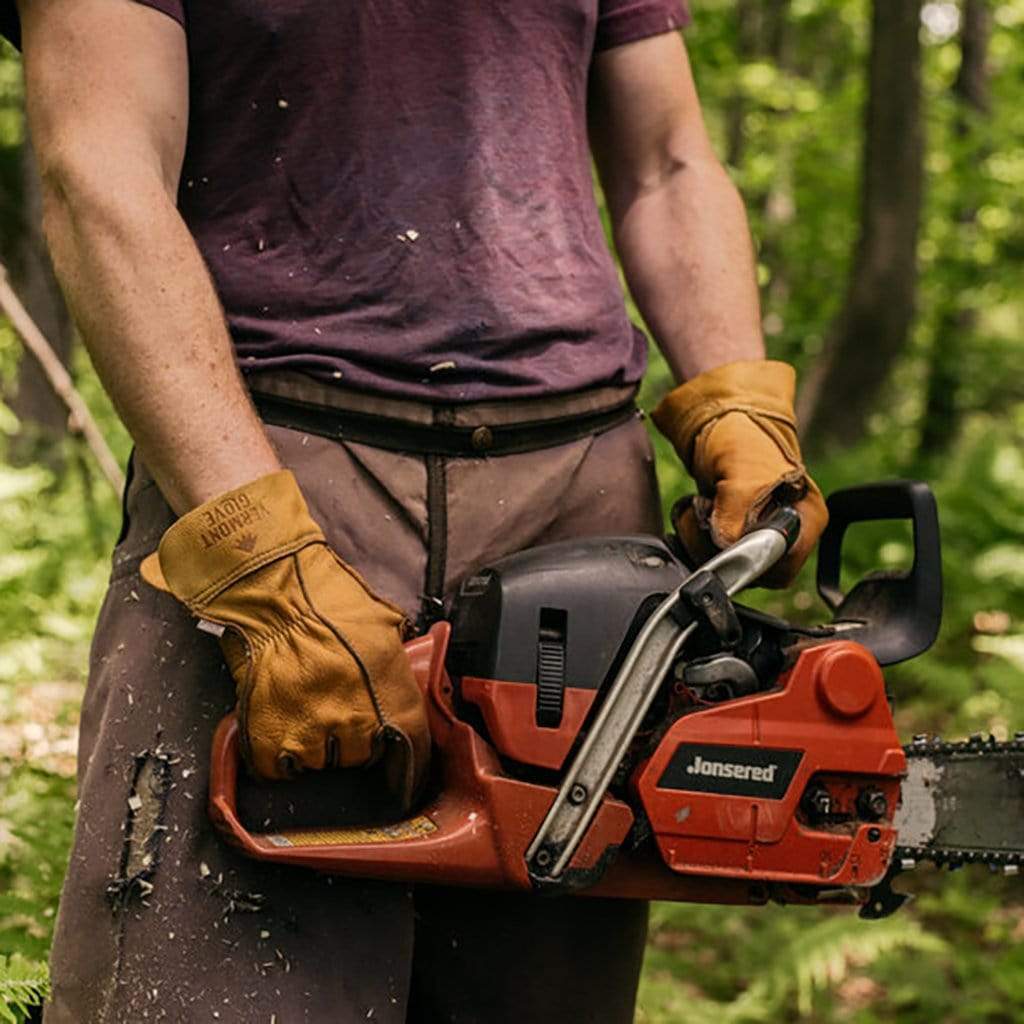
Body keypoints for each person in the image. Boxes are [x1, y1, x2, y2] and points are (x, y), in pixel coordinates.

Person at [2, 1, 828, 1021]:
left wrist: (737, 402)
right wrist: (256, 559)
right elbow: (101, 170)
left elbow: (669, 162)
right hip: (266, 452)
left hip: (579, 510)